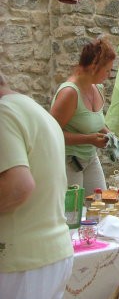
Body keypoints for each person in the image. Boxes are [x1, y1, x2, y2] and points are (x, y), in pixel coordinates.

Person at [0, 71, 74, 298]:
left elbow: (18, 186)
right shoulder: (34, 110)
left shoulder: (3, 114)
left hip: (19, 260)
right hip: (52, 252)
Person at [50, 38, 116, 198]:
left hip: (90, 157)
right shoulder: (69, 93)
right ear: (94, 67)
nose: (108, 76)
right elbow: (52, 133)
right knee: (73, 212)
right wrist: (88, 139)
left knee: (100, 204)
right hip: (69, 160)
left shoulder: (97, 88)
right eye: (107, 71)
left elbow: (94, 122)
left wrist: (112, 137)